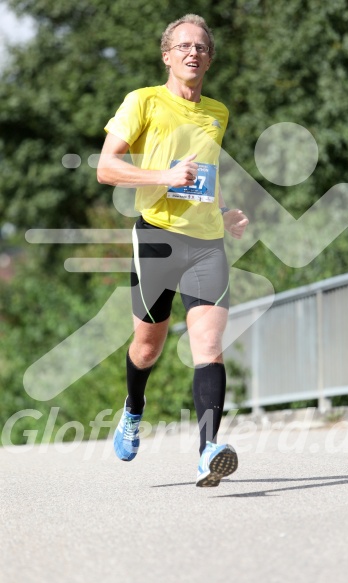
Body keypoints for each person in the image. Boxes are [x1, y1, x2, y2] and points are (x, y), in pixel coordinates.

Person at [97, 13, 248, 487]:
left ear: (210, 59)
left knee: (208, 346)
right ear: (167, 55)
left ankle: (208, 451)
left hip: (206, 243)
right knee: (148, 345)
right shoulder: (142, 102)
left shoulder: (217, 112)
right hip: (158, 237)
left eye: (201, 47)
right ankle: (133, 409)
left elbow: (204, 174)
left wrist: (222, 211)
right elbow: (106, 167)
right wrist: (163, 177)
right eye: (183, 46)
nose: (193, 52)